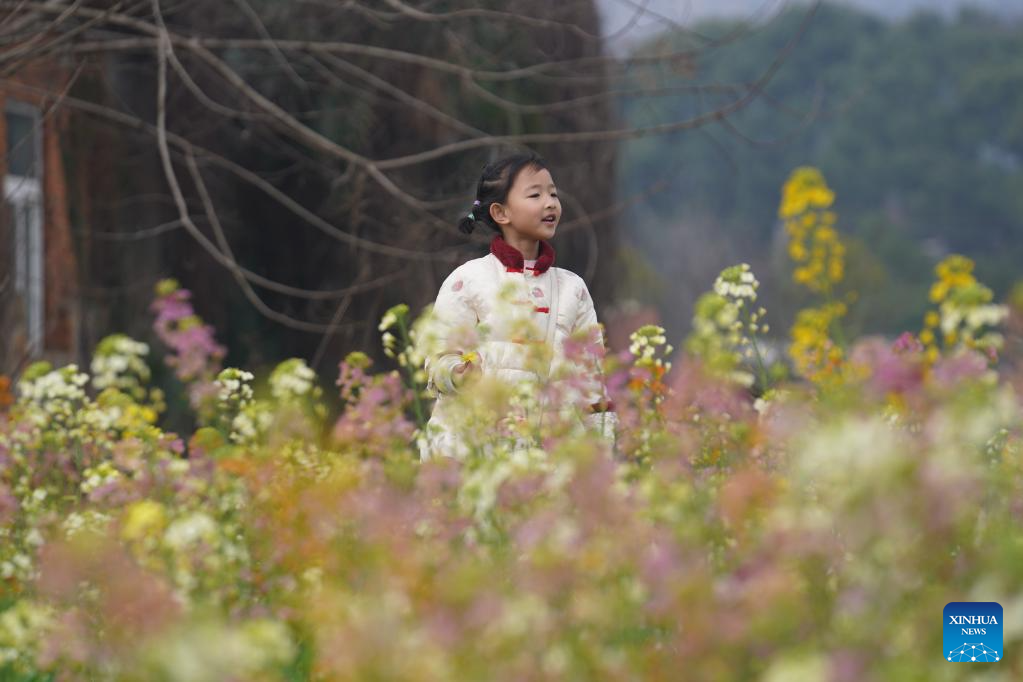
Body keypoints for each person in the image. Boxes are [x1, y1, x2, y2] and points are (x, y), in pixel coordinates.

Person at [417, 151, 617, 460]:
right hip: (476, 452)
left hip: (551, 457)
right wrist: (459, 373)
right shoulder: (468, 280)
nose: (550, 202)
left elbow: (591, 380)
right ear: (500, 213)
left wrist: (600, 455)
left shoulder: (573, 289)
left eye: (553, 193)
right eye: (535, 194)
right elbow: (438, 357)